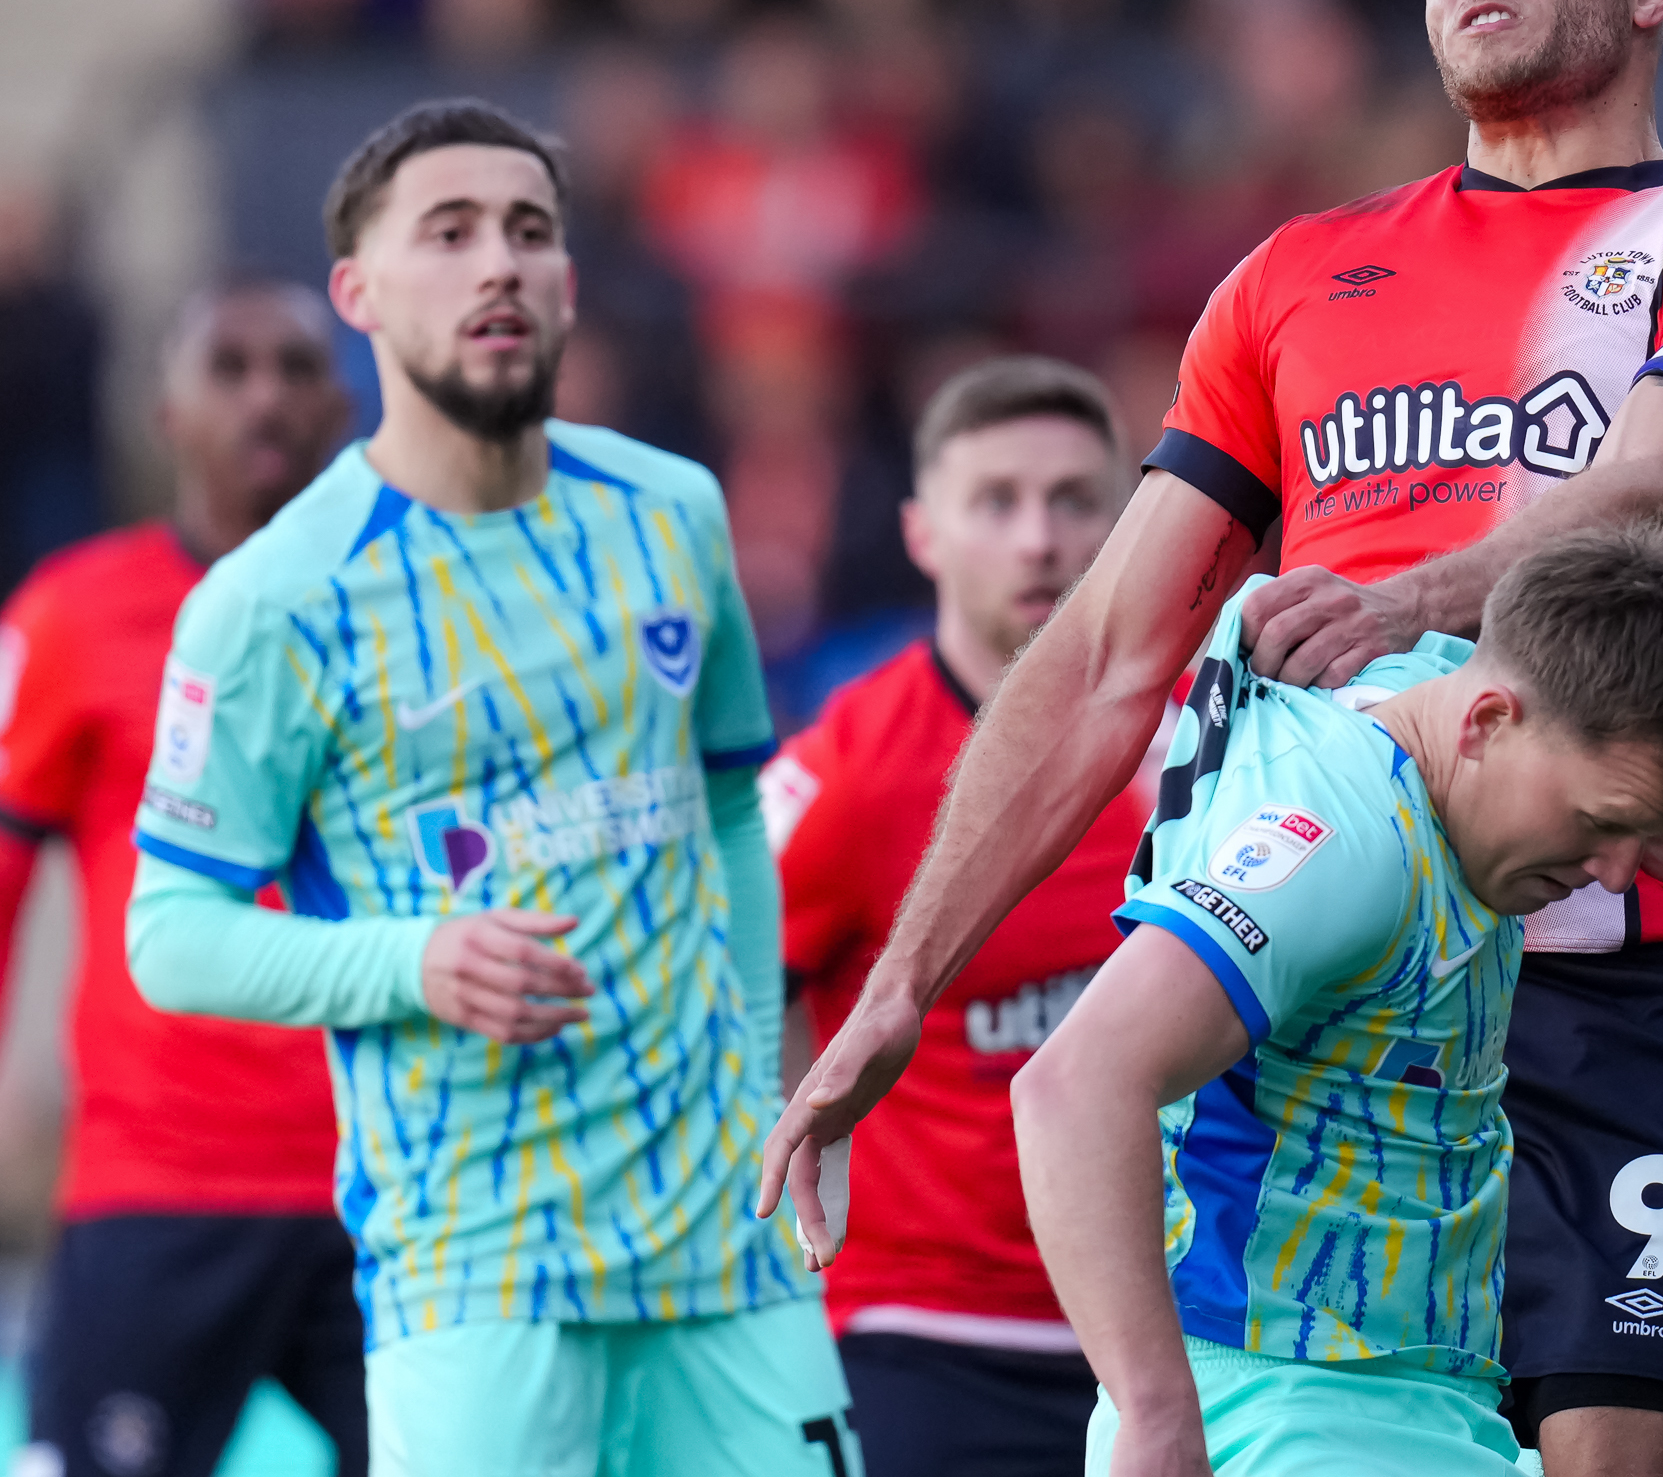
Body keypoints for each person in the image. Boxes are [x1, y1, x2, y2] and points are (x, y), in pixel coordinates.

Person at [767, 0, 1663, 1477]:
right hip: (1327, 985)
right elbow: (1105, 657)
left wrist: (1418, 600)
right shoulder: (1291, 283)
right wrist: (901, 984)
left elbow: (1656, 481)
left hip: (1603, 966)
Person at [120, 101, 850, 1476]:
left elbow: (733, 811)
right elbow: (172, 933)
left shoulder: (674, 512)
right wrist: (417, 959)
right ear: (360, 292)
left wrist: (763, 1079)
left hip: (724, 1246)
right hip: (475, 1260)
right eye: (446, 235)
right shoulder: (272, 602)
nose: (498, 264)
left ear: (569, 281)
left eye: (529, 231)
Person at [1014, 530, 1663, 1477]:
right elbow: (1073, 1085)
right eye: (1597, 824)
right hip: (1288, 1401)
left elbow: (1507, 657)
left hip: (1403, 1397)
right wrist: (1157, 1417)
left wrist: (1651, 811)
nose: (1611, 873)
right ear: (1486, 723)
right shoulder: (1346, 838)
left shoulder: (1429, 715)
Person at [766, 355, 1160, 1475]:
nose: (1038, 539)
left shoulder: (1206, 750)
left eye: (1076, 500)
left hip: (1172, 1331)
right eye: (997, 502)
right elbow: (708, 978)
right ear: (921, 532)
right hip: (926, 1334)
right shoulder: (844, 769)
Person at [0, 280, 361, 1477]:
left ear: (345, 402)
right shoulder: (70, 618)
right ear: (167, 411)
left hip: (390, 1182)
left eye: (296, 368)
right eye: (231, 367)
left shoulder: (420, 610)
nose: (266, 395)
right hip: (152, 1186)